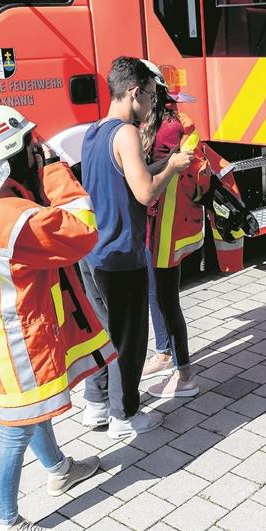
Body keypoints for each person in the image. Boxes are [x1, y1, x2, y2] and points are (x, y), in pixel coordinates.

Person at [0, 105, 113, 531]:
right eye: (30, 146)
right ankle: (6, 526)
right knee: (15, 426)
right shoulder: (17, 217)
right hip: (13, 337)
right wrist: (57, 172)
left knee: (31, 409)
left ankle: (58, 470)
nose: (38, 151)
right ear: (9, 157)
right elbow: (83, 230)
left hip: (0, 326)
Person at [80, 57, 193, 438]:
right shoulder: (127, 133)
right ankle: (125, 415)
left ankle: (95, 406)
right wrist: (174, 166)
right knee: (128, 340)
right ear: (134, 92)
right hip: (121, 252)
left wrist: (159, 161)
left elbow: (127, 174)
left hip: (93, 251)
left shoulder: (95, 130)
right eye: (149, 94)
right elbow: (145, 192)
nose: (151, 103)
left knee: (102, 335)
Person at [140, 67, 200, 399]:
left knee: (167, 299)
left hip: (165, 227)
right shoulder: (156, 121)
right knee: (156, 292)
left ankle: (185, 374)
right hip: (156, 225)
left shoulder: (167, 127)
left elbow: (153, 173)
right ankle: (164, 354)